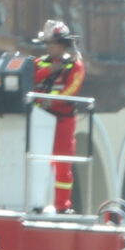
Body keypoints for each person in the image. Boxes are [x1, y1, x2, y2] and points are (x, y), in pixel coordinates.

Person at [30, 21, 88, 212]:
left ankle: (62, 205)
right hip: (39, 120)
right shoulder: (38, 64)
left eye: (53, 44)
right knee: (38, 162)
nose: (50, 48)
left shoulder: (75, 66)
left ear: (63, 44)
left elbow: (72, 90)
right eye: (48, 44)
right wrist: (50, 71)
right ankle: (36, 202)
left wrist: (51, 101)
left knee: (63, 164)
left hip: (63, 121)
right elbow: (29, 81)